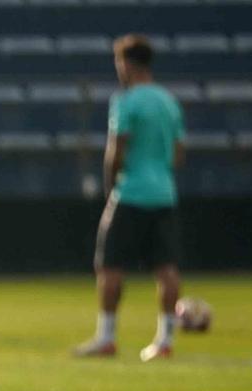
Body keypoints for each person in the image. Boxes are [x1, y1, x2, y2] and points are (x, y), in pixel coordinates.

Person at [74, 34, 187, 361]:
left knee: (109, 266)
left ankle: (106, 337)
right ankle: (164, 341)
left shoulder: (126, 101)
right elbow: (179, 155)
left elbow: (116, 151)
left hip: (132, 191)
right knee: (166, 268)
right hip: (164, 192)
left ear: (126, 63)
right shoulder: (169, 102)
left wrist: (111, 190)